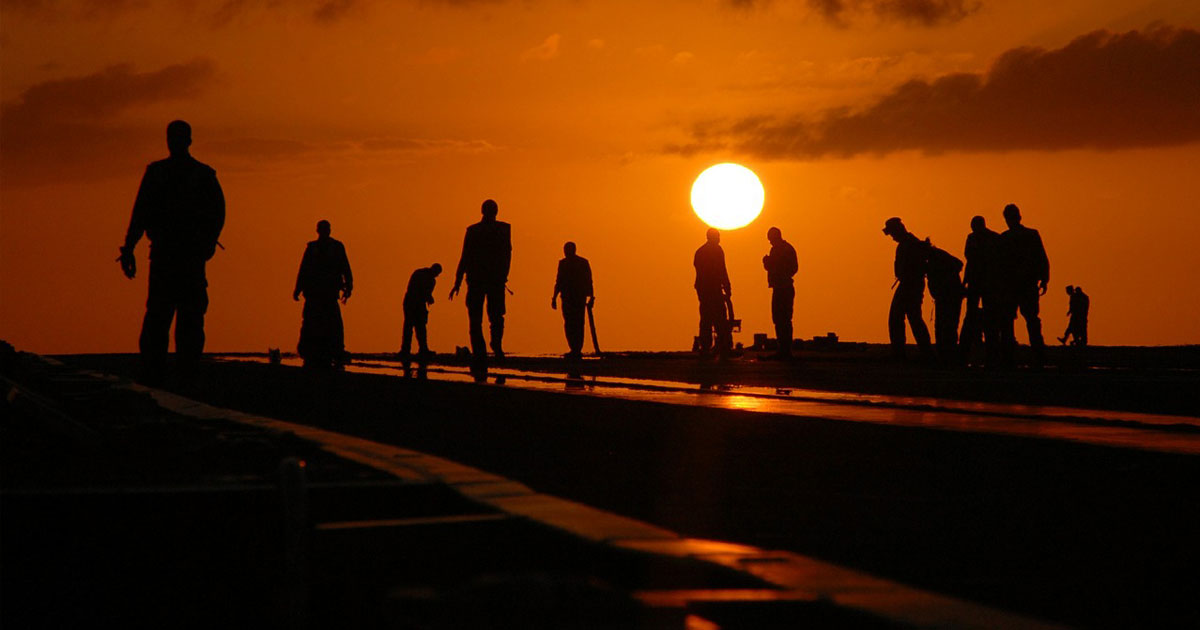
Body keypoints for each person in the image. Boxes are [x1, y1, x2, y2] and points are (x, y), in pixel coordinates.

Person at [118, 120, 225, 384]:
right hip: (173, 256)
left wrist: (208, 243)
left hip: (182, 256)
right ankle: (164, 372)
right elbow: (141, 213)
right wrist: (129, 247)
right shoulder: (173, 174)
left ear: (185, 140)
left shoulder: (195, 175)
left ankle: (178, 372)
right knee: (165, 315)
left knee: (179, 316)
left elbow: (217, 213)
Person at [449, 199, 512, 366]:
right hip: (488, 280)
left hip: (486, 280)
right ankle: (491, 348)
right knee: (491, 317)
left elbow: (465, 256)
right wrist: (458, 281)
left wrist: (458, 281)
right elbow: (507, 255)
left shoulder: (478, 230)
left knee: (485, 317)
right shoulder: (502, 229)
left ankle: (485, 349)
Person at [293, 220, 353, 368]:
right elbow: (304, 269)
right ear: (318, 231)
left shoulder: (337, 247)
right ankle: (309, 350)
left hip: (329, 293)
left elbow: (345, 268)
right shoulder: (312, 248)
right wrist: (298, 288)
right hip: (314, 293)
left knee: (333, 323)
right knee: (310, 322)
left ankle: (336, 350)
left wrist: (348, 287)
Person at [997, 203, 1050, 367]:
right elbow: (1042, 258)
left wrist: (1044, 278)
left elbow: (1041, 257)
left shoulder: (1005, 238)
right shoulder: (1029, 235)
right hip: (1022, 285)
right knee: (1028, 321)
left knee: (1011, 321)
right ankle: (1036, 355)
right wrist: (1044, 278)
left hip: (1016, 285)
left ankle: (1011, 357)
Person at [881, 218, 932, 361]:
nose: (892, 237)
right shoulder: (909, 243)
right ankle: (924, 352)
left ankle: (901, 353)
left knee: (898, 318)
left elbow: (913, 267)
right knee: (913, 318)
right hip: (911, 284)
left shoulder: (910, 244)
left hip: (910, 285)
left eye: (892, 233)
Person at [959, 216, 1001, 366]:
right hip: (980, 282)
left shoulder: (990, 239)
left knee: (983, 318)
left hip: (985, 282)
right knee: (979, 317)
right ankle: (971, 353)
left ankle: (987, 355)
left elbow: (971, 260)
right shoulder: (989, 238)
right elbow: (969, 260)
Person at [551, 242, 595, 359]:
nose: (566, 252)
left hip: (578, 298)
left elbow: (588, 280)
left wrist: (591, 297)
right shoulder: (563, 264)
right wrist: (554, 297)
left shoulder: (582, 263)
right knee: (569, 323)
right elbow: (559, 281)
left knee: (579, 323)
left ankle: (577, 349)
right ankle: (573, 348)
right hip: (566, 298)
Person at [760, 226, 798, 360]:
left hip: (784, 288)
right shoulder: (783, 249)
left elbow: (790, 268)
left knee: (783, 319)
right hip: (780, 287)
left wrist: (769, 263)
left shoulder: (783, 250)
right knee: (779, 319)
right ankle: (783, 349)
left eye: (771, 239)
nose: (770, 242)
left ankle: (785, 351)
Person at [694, 227, 732, 359]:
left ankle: (706, 348)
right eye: (718, 236)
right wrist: (727, 286)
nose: (719, 238)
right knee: (719, 318)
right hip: (712, 289)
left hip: (704, 290)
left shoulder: (700, 252)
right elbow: (722, 269)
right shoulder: (716, 251)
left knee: (706, 318)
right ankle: (722, 348)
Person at [925, 239, 965, 364]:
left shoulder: (938, 257)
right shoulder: (933, 259)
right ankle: (945, 354)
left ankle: (948, 355)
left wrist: (944, 280)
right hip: (945, 296)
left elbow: (958, 264)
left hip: (949, 295)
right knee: (944, 325)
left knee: (947, 325)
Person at [400, 263, 442, 362]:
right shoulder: (422, 275)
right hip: (412, 302)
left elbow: (426, 293)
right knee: (411, 326)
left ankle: (420, 349)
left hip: (417, 303)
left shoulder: (426, 277)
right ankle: (407, 350)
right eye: (437, 273)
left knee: (419, 327)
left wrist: (428, 298)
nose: (436, 275)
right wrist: (428, 297)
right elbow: (417, 290)